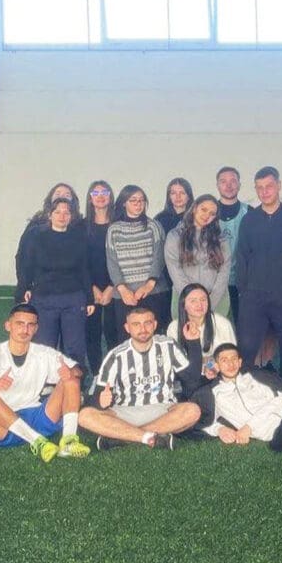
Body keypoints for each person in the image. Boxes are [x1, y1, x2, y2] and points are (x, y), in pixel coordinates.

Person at [0, 304, 91, 461]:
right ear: (8, 326)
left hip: (37, 417)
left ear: (36, 329)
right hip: (3, 425)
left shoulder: (43, 353)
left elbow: (80, 369)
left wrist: (72, 372)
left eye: (30, 325)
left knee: (71, 379)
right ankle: (37, 442)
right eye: (20, 324)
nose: (25, 330)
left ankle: (69, 442)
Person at [78, 306, 202, 450]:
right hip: (124, 412)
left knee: (193, 411)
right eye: (136, 324)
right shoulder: (115, 356)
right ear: (127, 328)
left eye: (147, 323)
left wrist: (193, 343)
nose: (142, 329)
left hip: (163, 410)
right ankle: (150, 436)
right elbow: (98, 396)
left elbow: (192, 381)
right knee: (85, 416)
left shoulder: (169, 346)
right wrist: (100, 401)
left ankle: (123, 438)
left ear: (154, 325)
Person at [235, 166, 282, 381]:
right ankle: (245, 389)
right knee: (246, 349)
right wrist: (243, 291)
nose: (264, 191)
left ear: (279, 186)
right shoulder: (249, 219)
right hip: (253, 296)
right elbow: (242, 256)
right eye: (259, 187)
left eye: (269, 186)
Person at [16, 198, 93, 367]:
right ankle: (44, 380)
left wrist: (89, 299)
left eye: (66, 212)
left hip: (73, 299)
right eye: (57, 212)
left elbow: (84, 269)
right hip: (44, 298)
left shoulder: (79, 237)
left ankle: (75, 381)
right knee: (44, 346)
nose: (62, 216)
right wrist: (25, 288)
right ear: (50, 215)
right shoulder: (36, 236)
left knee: (74, 348)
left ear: (71, 216)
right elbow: (27, 265)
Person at [106, 184, 169, 336]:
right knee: (126, 338)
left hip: (153, 293)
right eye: (133, 200)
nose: (138, 204)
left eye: (141, 200)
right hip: (124, 296)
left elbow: (159, 257)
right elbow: (112, 263)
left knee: (154, 337)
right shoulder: (113, 229)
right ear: (124, 203)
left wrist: (148, 285)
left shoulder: (153, 226)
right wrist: (123, 290)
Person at [14, 183, 82, 302]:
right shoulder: (35, 226)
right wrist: (25, 286)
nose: (62, 196)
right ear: (50, 198)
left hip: (71, 293)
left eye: (67, 194)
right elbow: (23, 259)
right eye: (58, 193)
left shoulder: (79, 227)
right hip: (40, 291)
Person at [164, 193, 230, 313]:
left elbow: (224, 272)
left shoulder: (221, 239)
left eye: (212, 213)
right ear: (194, 208)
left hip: (217, 301)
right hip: (184, 299)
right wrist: (192, 300)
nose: (207, 215)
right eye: (203, 209)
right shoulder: (175, 236)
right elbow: (175, 270)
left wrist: (209, 303)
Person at [166, 283, 236, 380]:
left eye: (203, 300)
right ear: (184, 305)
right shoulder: (173, 327)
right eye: (193, 301)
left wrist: (210, 366)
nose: (199, 305)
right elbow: (178, 362)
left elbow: (230, 355)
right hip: (188, 376)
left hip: (218, 373)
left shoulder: (222, 323)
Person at [85, 180, 118, 374]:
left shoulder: (119, 224)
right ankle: (98, 375)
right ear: (90, 199)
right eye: (95, 193)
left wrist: (112, 286)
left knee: (114, 333)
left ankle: (115, 374)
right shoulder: (81, 226)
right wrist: (92, 288)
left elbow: (123, 259)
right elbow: (79, 260)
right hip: (90, 288)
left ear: (110, 196)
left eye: (104, 192)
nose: (100, 196)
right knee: (92, 334)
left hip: (116, 287)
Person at [153, 177, 194, 328]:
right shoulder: (159, 219)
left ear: (189, 195)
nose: (178, 197)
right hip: (166, 276)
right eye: (173, 193)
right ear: (168, 196)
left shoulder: (195, 217)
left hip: (191, 273)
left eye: (182, 193)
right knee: (170, 320)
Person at [215, 166, 249, 322]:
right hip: (214, 284)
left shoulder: (251, 213)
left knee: (243, 328)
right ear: (217, 185)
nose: (228, 185)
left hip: (244, 284)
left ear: (239, 185)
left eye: (233, 181)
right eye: (223, 181)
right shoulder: (206, 213)